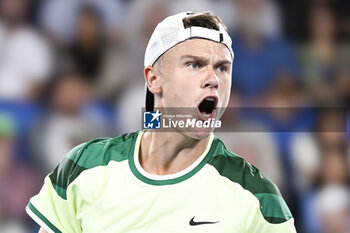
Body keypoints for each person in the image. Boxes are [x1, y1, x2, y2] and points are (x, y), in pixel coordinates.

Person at [26, 11, 297, 233]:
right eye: (194, 64)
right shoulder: (83, 167)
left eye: (222, 68)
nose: (213, 79)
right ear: (154, 79)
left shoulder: (259, 199)